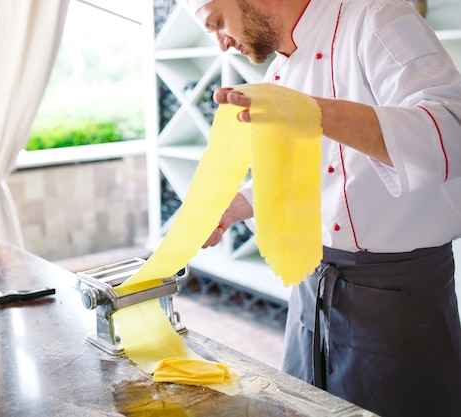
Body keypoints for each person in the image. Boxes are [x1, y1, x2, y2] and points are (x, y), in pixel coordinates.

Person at [190, 0, 461, 416]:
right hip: (311, 287)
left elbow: (451, 131)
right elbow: (317, 174)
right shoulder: (281, 69)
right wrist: (232, 207)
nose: (222, 44)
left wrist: (313, 113)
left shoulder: (376, 16)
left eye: (217, 23)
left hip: (395, 300)